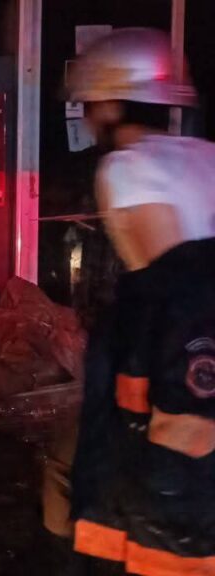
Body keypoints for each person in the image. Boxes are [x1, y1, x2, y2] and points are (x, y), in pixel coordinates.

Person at [61, 28, 215, 574]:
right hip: (189, 347)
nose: (87, 118)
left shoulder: (126, 167)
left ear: (110, 104)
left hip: (170, 354)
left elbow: (172, 278)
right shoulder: (205, 156)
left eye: (89, 105)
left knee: (146, 496)